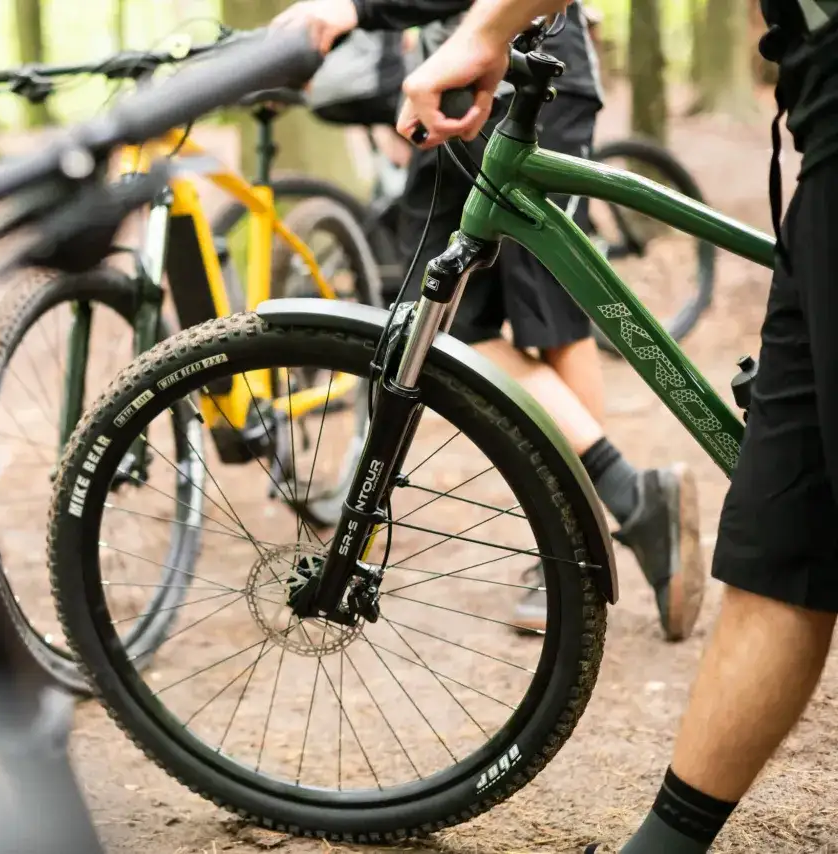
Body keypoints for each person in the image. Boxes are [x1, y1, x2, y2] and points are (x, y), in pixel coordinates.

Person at [296, 0, 838, 851]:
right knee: (782, 554)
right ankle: (625, 505)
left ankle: (618, 504)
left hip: (534, 68)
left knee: (537, 327)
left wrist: (411, 18)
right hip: (806, 146)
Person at [272, 0, 705, 640]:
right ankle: (628, 501)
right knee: (439, 322)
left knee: (552, 318)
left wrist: (360, 9)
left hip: (535, 77)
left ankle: (575, 551)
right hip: (458, 86)